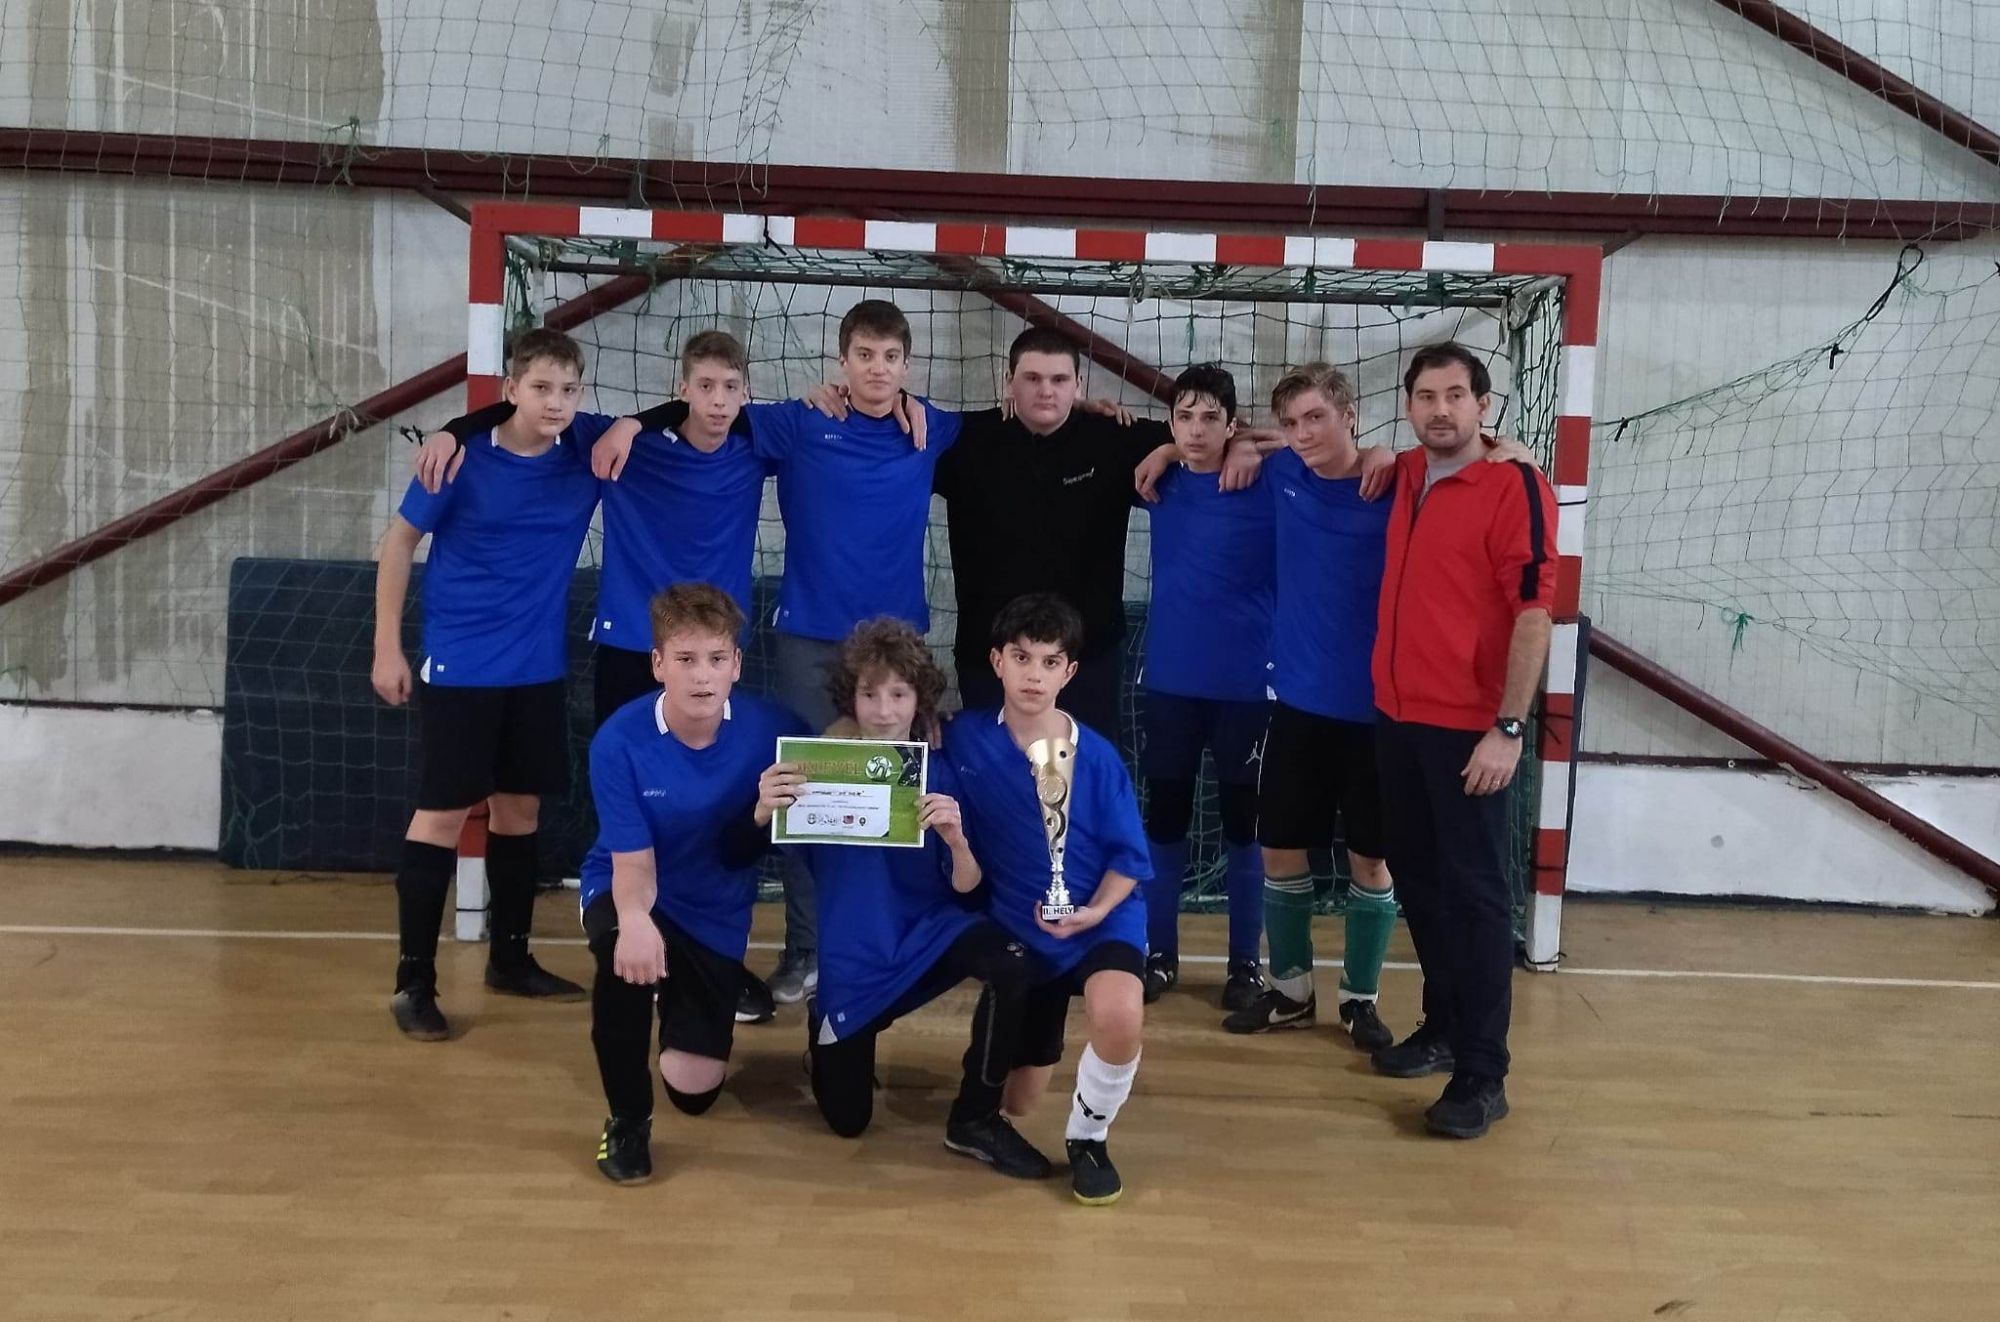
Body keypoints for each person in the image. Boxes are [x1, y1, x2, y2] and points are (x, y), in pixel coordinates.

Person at [371, 328, 603, 1041]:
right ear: (510, 390)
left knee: (520, 810)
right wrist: (386, 646)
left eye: (568, 390)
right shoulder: (459, 459)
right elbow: (398, 543)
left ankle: (511, 959)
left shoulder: (585, 453)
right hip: (461, 665)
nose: (555, 402)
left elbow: (663, 420)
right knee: (442, 814)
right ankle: (414, 982)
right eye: (541, 388)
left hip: (537, 669)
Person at [1369, 341, 1557, 1140]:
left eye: (1455, 396)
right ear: (1408, 406)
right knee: (1419, 880)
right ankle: (1443, 1026)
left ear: (1484, 405)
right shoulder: (1406, 472)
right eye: (1425, 396)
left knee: (1477, 898)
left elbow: (1535, 613)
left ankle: (1483, 1074)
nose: (1440, 410)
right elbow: (1323, 446)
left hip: (1472, 730)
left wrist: (1508, 728)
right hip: (1397, 719)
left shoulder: (1516, 484)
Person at [798, 618, 1050, 1179]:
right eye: (869, 694)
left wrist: (957, 841)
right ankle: (823, 1021)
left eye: (899, 694)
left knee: (1012, 962)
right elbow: (751, 849)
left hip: (932, 931)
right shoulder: (816, 770)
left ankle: (975, 1120)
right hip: (858, 956)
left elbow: (970, 891)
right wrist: (763, 809)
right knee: (848, 1121)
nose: (884, 710)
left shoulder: (942, 768)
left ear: (920, 700)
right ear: (850, 699)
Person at [580, 583, 806, 1184]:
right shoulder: (619, 742)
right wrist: (634, 922)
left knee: (696, 1091)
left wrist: (913, 728)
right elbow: (633, 865)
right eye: (685, 659)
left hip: (715, 910)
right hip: (632, 885)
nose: (701, 675)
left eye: (715, 658)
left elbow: (843, 744)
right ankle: (627, 1122)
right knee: (624, 963)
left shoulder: (771, 728)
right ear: (658, 664)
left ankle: (686, 986)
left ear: (736, 664)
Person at [942, 594, 1152, 1206]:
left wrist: (1096, 912)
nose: (1034, 674)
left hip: (1100, 917)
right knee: (1018, 1103)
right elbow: (890, 729)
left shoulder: (1098, 758)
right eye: (1021, 657)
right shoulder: (962, 736)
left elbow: (1129, 861)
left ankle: (1089, 1138)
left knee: (1120, 1017)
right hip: (1022, 928)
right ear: (997, 662)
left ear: (1070, 672)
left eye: (1050, 661)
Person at [1221, 363, 1401, 1053]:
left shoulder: (1396, 483)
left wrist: (1386, 453)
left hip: (1377, 711)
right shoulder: (1282, 474)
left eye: (1316, 418)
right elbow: (1217, 443)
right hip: (1296, 705)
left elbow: (1477, 454)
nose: (1303, 433)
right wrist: (1176, 448)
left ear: (1350, 415)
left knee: (1371, 861)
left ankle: (1361, 1001)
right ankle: (1291, 992)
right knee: (1280, 849)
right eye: (1292, 423)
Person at [1134, 364, 1273, 1011]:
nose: (1195, 429)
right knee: (1164, 821)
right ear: (1170, 422)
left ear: (1231, 422)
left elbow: (1320, 443)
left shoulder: (1266, 475)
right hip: (1170, 685)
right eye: (1184, 417)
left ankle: (1245, 964)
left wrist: (1248, 444)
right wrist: (1164, 451)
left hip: (1248, 688)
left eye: (1210, 418)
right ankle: (1159, 955)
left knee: (1245, 828)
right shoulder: (1157, 479)